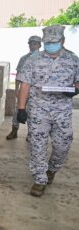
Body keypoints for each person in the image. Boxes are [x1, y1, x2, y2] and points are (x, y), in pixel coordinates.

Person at [17, 25, 79, 197]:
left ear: (62, 41)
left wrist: (76, 89)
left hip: (62, 110)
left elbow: (78, 81)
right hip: (39, 109)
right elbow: (25, 85)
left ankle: (52, 169)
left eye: (54, 42)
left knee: (63, 144)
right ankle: (39, 179)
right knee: (37, 145)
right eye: (47, 42)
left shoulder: (73, 60)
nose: (50, 45)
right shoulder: (34, 59)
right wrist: (21, 108)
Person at [6, 35, 41, 140]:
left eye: (35, 43)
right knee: (18, 111)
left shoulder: (44, 58)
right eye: (31, 43)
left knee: (33, 113)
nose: (33, 46)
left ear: (40, 45)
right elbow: (18, 75)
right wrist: (17, 89)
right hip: (24, 90)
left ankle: (31, 134)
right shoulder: (24, 58)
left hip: (37, 92)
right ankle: (14, 131)